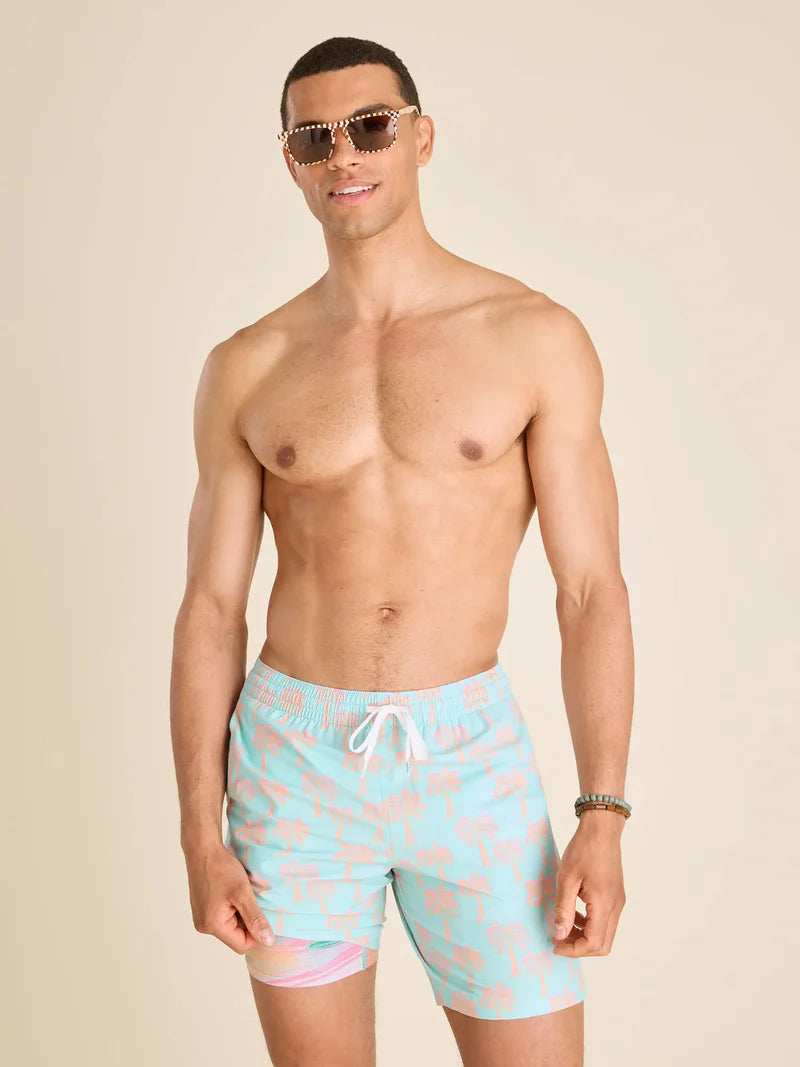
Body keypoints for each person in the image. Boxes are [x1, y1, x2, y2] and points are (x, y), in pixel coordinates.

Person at [170, 34, 633, 1067]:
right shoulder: (248, 365)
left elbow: (589, 588)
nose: (343, 154)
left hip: (468, 763)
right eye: (313, 138)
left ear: (420, 138)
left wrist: (600, 815)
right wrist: (201, 833)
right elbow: (211, 608)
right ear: (290, 162)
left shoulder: (532, 336)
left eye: (370, 127)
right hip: (293, 765)